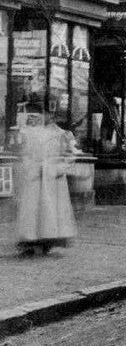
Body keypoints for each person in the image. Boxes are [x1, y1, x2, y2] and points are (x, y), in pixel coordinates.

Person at [14, 102, 78, 255]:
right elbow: (23, 153)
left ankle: (47, 241)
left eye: (46, 114)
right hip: (35, 177)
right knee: (32, 210)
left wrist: (58, 169)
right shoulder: (28, 133)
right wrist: (29, 167)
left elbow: (70, 155)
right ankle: (31, 240)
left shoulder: (62, 134)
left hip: (53, 180)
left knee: (51, 211)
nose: (41, 117)